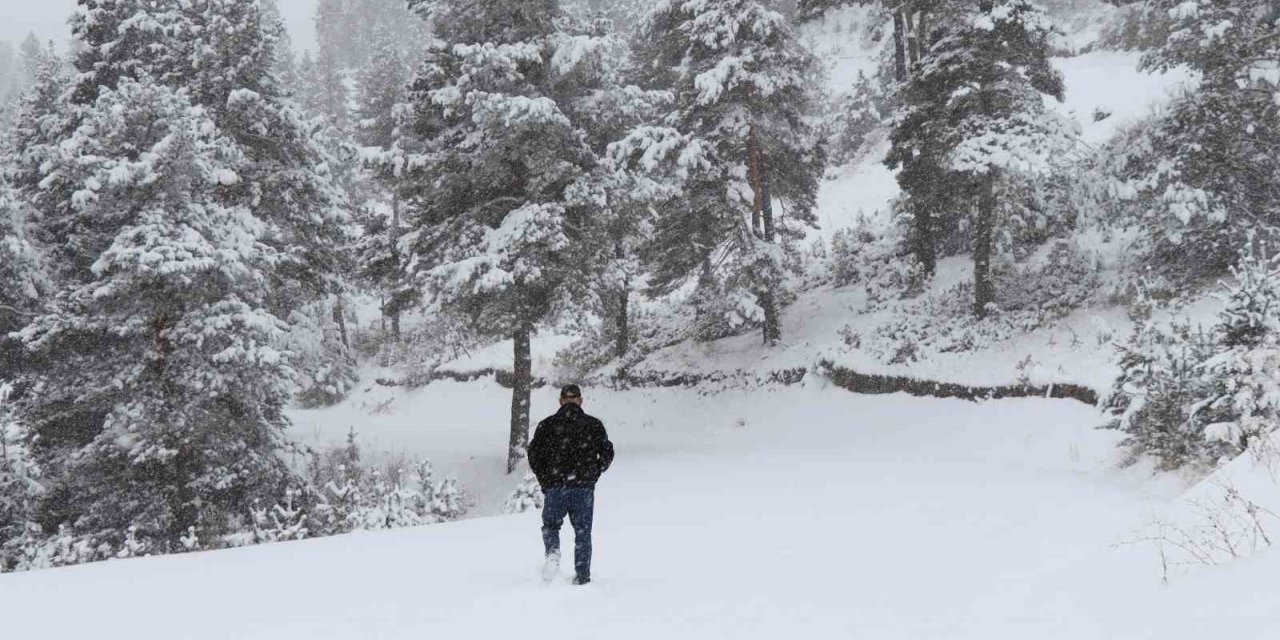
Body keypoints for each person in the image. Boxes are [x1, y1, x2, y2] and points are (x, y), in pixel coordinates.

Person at [528, 384, 615, 585]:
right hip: (583, 488)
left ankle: (553, 552)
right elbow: (607, 453)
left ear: (561, 401)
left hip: (556, 487)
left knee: (551, 526)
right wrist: (593, 475)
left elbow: (534, 455)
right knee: (583, 532)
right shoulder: (593, 425)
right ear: (580, 401)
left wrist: (546, 480)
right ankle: (582, 577)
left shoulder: (547, 425)